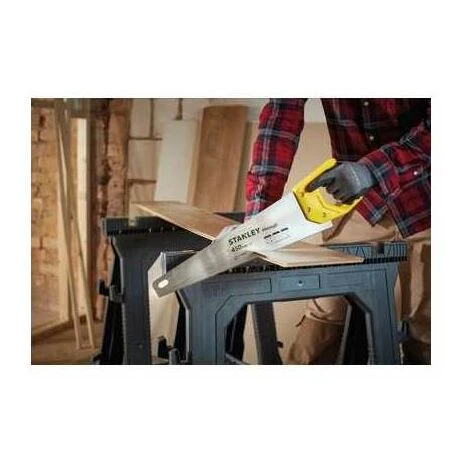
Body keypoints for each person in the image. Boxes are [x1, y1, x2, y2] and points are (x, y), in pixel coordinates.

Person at [245, 99, 431, 365]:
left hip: (427, 197)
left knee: (428, 336)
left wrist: (373, 170)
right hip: (363, 203)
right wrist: (259, 216)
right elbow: (280, 120)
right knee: (320, 335)